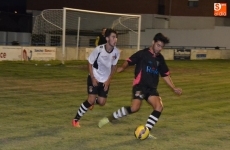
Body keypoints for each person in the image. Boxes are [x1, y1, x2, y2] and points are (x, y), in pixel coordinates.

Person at [98, 33, 182, 137]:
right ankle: (110, 118)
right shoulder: (143, 54)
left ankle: (146, 131)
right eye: (158, 45)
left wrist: (173, 87)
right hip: (140, 86)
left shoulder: (160, 59)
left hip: (151, 89)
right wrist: (123, 68)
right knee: (134, 108)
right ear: (153, 42)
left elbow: (165, 75)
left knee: (159, 107)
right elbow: (129, 61)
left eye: (161, 47)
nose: (159, 48)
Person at [72, 28, 120, 127]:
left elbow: (114, 67)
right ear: (107, 38)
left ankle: (93, 102)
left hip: (105, 80)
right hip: (94, 77)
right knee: (90, 100)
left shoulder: (116, 52)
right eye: (113, 37)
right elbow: (89, 63)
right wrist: (93, 78)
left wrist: (108, 80)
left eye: (116, 37)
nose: (115, 39)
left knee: (102, 102)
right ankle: (76, 119)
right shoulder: (99, 50)